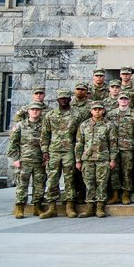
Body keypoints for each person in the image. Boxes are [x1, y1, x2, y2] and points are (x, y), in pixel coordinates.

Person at [42, 89, 83, 218]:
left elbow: (80, 137)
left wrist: (78, 155)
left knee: (69, 179)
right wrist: (44, 150)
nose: (64, 100)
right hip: (53, 151)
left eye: (66, 98)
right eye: (61, 98)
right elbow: (45, 134)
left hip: (69, 151)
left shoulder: (76, 115)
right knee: (52, 178)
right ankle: (52, 206)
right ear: (57, 100)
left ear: (70, 99)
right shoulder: (50, 115)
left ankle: (69, 205)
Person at [74, 100, 117, 218]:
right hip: (87, 159)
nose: (97, 111)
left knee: (102, 183)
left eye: (99, 109)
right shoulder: (84, 125)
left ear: (103, 110)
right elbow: (79, 143)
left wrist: (112, 159)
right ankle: (89, 207)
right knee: (89, 183)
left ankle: (99, 207)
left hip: (103, 158)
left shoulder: (109, 125)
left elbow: (113, 143)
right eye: (95, 109)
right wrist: (78, 160)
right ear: (91, 111)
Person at [7, 101, 46, 219]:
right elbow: (12, 144)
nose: (35, 111)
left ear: (40, 111)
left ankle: (37, 207)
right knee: (22, 186)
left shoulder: (44, 126)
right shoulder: (19, 126)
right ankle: (20, 208)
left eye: (37, 110)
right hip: (24, 161)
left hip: (39, 161)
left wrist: (46, 157)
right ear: (28, 111)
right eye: (32, 109)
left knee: (39, 185)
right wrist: (15, 159)